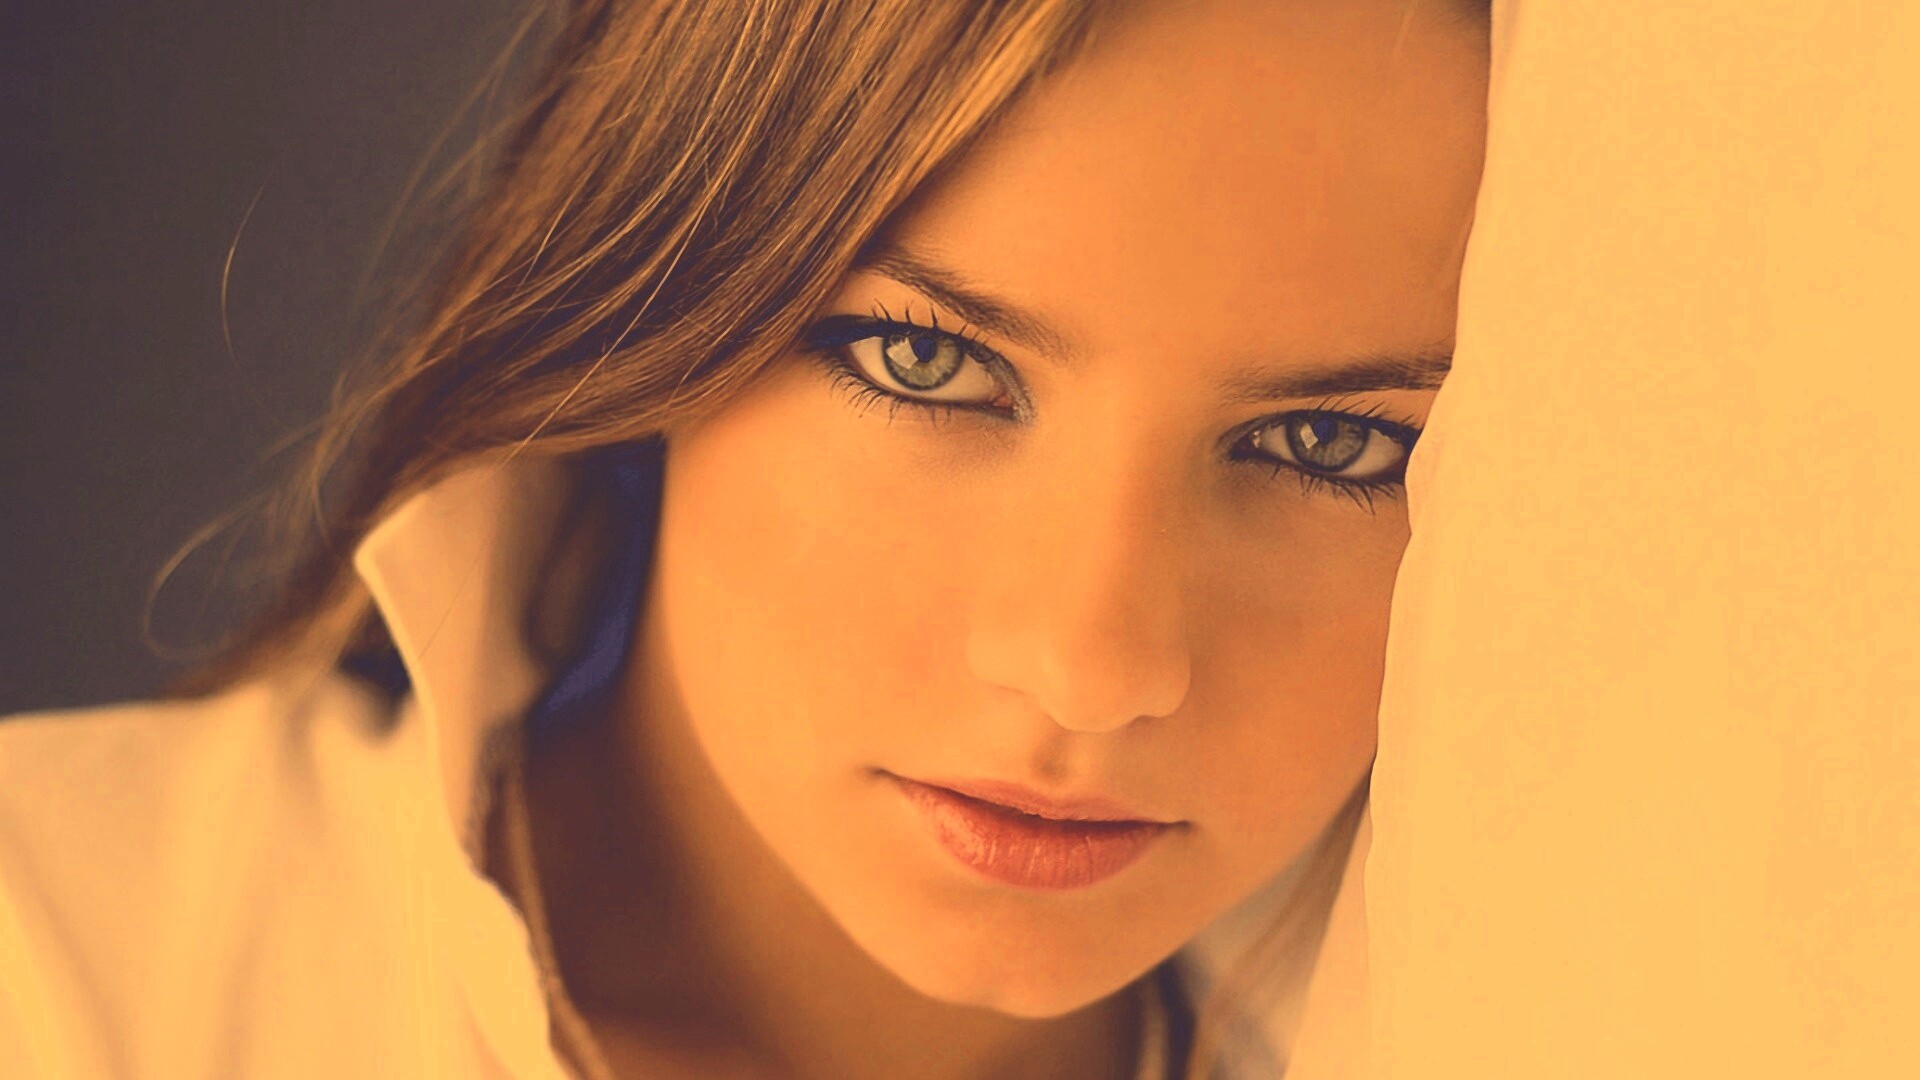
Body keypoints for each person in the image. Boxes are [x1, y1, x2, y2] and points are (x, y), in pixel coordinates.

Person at [0, 0, 1493, 1077]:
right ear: (664, 301)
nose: (1089, 669)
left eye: (1331, 445)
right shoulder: (55, 963)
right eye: (925, 363)